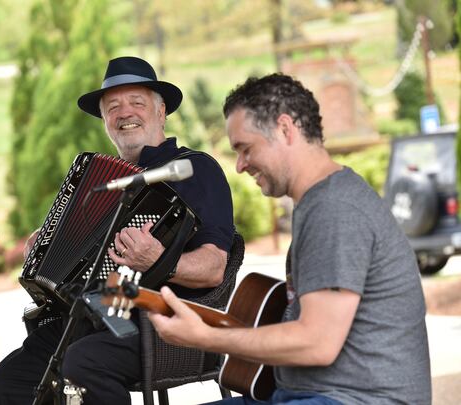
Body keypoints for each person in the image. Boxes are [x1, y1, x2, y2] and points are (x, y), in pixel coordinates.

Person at [148, 73, 432, 405]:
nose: (240, 166)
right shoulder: (320, 201)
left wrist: (206, 338)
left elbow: (317, 342)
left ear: (285, 129)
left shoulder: (334, 208)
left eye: (245, 149)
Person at [0, 56, 234, 404]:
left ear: (162, 112)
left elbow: (215, 267)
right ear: (105, 122)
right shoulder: (103, 182)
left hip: (159, 323)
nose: (125, 113)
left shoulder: (193, 170)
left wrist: (161, 262)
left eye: (137, 103)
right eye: (113, 107)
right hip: (91, 318)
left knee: (82, 365)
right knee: (0, 385)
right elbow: (74, 254)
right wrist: (44, 245)